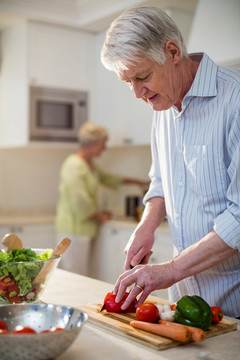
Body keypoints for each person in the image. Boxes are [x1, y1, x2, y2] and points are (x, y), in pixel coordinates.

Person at [100, 6, 240, 318]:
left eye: (141, 76)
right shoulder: (162, 105)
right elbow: (162, 180)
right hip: (186, 301)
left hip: (235, 302)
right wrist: (147, 224)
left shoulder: (236, 100)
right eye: (128, 81)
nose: (137, 93)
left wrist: (170, 270)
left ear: (172, 51)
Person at [55, 121, 149, 276]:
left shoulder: (89, 165)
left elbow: (109, 178)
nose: (105, 148)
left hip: (83, 229)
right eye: (103, 144)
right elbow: (80, 201)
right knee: (76, 276)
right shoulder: (74, 165)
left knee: (80, 275)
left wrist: (140, 183)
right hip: (73, 230)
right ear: (93, 143)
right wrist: (99, 216)